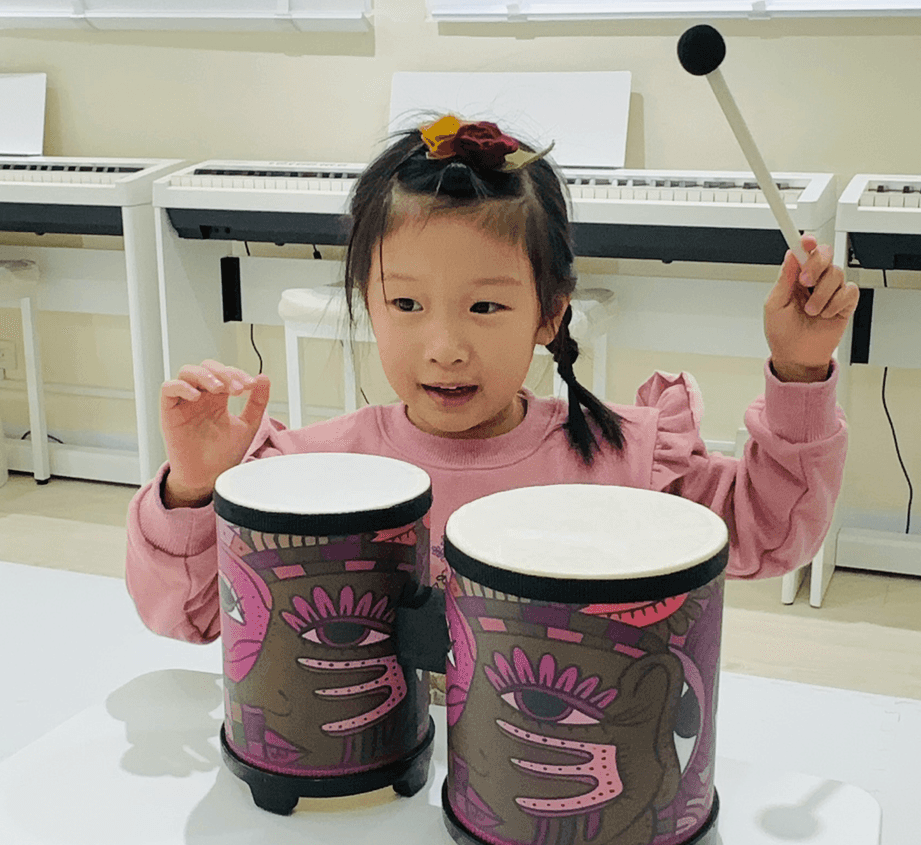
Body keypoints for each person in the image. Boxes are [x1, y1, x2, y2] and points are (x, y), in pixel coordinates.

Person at [127, 116, 859, 644]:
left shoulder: (628, 459)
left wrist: (800, 372)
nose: (444, 348)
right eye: (406, 304)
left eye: (485, 306)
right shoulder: (313, 473)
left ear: (549, 314)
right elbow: (185, 617)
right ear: (366, 307)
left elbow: (771, 537)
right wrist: (193, 489)